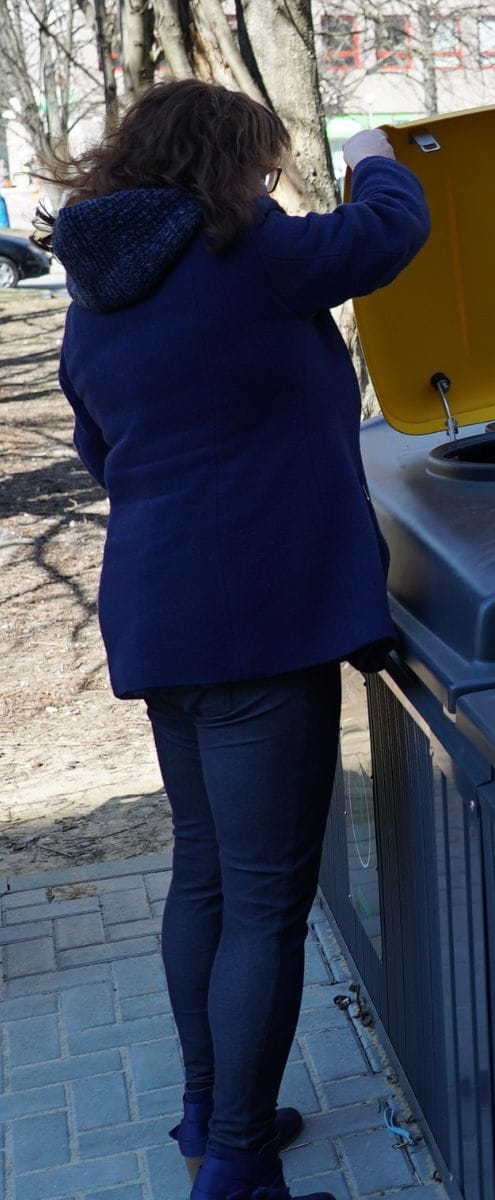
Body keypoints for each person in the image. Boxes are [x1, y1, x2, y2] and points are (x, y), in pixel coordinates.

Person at [39, 81, 428, 1200]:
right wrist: (372, 154)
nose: (267, 184)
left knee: (205, 872)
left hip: (162, 610)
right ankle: (241, 1167)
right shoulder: (245, 251)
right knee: (265, 896)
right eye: (260, 163)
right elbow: (391, 232)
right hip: (261, 614)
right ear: (226, 162)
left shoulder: (100, 291)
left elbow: (99, 445)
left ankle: (211, 1111)